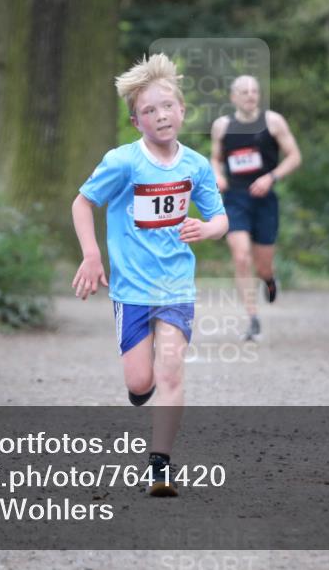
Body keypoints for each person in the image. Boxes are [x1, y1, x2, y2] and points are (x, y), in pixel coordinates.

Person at [72, 53, 228, 497]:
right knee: (141, 381)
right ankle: (142, 391)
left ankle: (159, 465)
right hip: (131, 288)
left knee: (172, 369)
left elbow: (221, 219)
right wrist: (91, 255)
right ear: (136, 121)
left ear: (181, 110)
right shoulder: (123, 163)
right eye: (148, 111)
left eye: (167, 106)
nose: (160, 115)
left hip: (176, 285)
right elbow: (82, 203)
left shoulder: (195, 165)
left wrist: (207, 228)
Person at [210, 76, 301, 341]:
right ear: (233, 97)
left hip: (264, 199)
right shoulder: (222, 126)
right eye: (244, 91)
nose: (250, 95)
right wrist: (218, 175)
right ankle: (252, 319)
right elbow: (215, 158)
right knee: (240, 257)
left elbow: (295, 156)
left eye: (254, 91)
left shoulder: (273, 122)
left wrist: (271, 177)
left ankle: (269, 279)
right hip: (235, 199)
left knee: (262, 266)